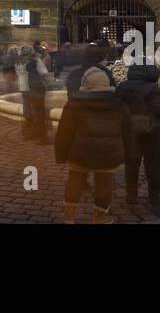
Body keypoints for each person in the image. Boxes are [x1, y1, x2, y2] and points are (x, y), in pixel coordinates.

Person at [54, 66, 128, 224]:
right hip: (109, 153)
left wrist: (60, 155)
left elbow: (64, 133)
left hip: (79, 153)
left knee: (75, 181)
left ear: (85, 82)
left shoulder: (74, 103)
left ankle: (69, 217)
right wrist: (126, 155)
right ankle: (99, 218)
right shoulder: (119, 104)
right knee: (104, 183)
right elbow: (128, 132)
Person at [116, 64, 160, 204]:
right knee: (152, 163)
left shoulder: (122, 87)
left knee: (131, 162)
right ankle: (154, 195)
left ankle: (131, 194)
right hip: (151, 130)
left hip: (129, 130)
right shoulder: (152, 88)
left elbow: (117, 108)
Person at [19, 48, 51, 143]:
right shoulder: (19, 62)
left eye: (26, 54)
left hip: (36, 90)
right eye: (23, 54)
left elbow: (44, 73)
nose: (24, 56)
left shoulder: (36, 61)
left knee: (39, 114)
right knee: (27, 113)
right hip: (25, 90)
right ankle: (32, 133)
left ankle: (41, 136)